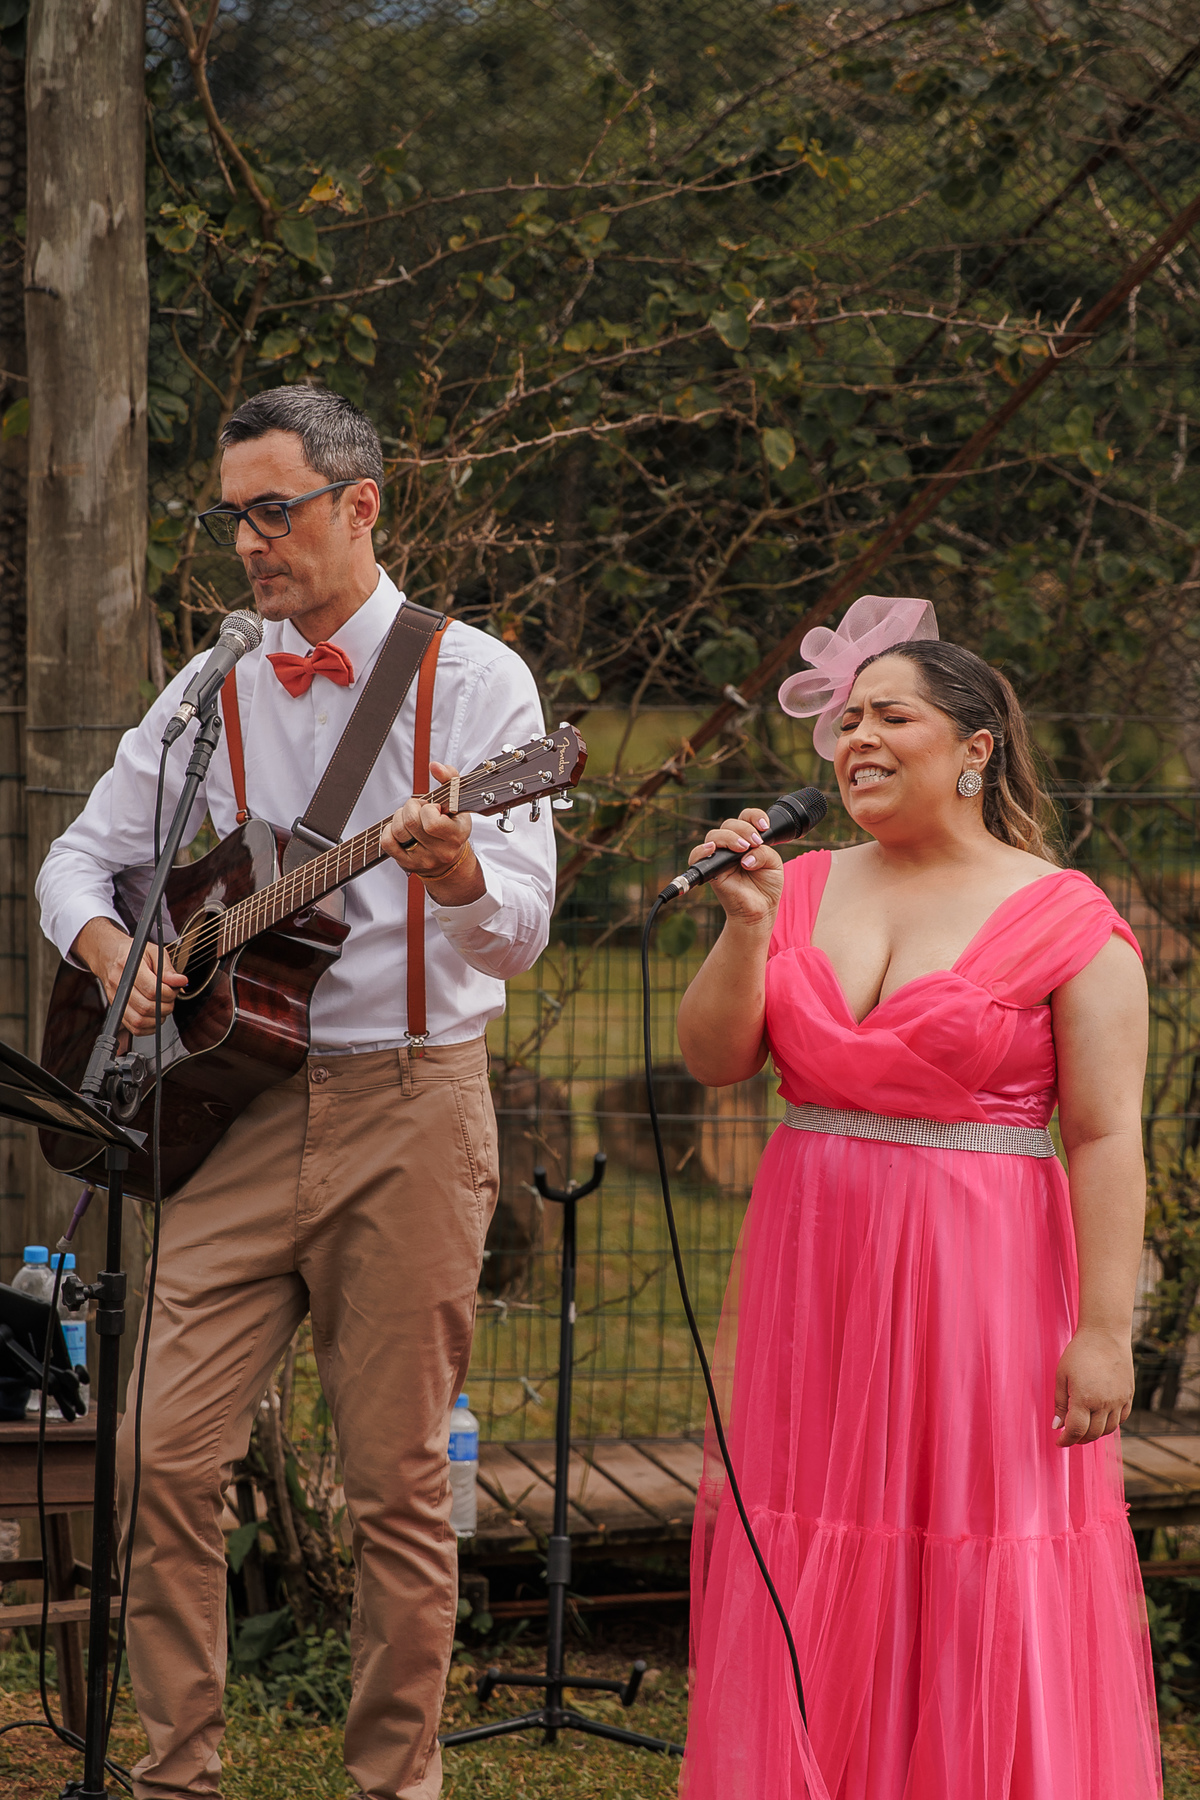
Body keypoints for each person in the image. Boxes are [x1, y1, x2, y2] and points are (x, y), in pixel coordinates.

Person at [35, 387, 556, 1800]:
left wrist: (455, 874)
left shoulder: (482, 683)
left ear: (361, 506)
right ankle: (175, 1773)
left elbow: (520, 926)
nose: (250, 543)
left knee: (397, 1489)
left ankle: (396, 1783)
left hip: (415, 1104)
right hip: (241, 1108)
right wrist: (119, 955)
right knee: (152, 1453)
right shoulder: (214, 681)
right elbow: (77, 863)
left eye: (277, 511)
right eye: (233, 517)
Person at [675, 595, 1160, 1799]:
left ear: (976, 749)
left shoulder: (1068, 919)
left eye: (891, 716)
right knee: (811, 1536)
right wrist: (741, 930)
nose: (857, 743)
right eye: (845, 723)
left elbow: (1104, 1135)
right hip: (814, 1269)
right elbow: (714, 1061)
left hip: (982, 1282)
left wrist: (1104, 1333)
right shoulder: (797, 886)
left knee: (973, 1546)